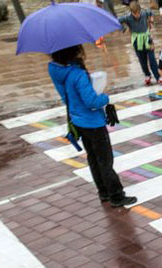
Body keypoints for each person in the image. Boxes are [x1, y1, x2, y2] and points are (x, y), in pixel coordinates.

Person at [48, 45, 136, 207]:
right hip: (93, 123)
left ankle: (103, 192)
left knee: (93, 159)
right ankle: (116, 195)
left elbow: (68, 98)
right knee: (105, 160)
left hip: (78, 121)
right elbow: (91, 101)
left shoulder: (58, 72)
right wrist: (104, 97)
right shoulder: (77, 74)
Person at [119, 1, 162, 86]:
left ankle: (158, 77)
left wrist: (151, 19)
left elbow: (150, 12)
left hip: (147, 38)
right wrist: (124, 28)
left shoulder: (144, 13)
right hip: (136, 40)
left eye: (138, 13)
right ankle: (147, 75)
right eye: (134, 13)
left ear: (140, 11)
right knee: (142, 60)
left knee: (152, 59)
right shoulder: (128, 17)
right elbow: (117, 21)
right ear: (131, 12)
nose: (137, 15)